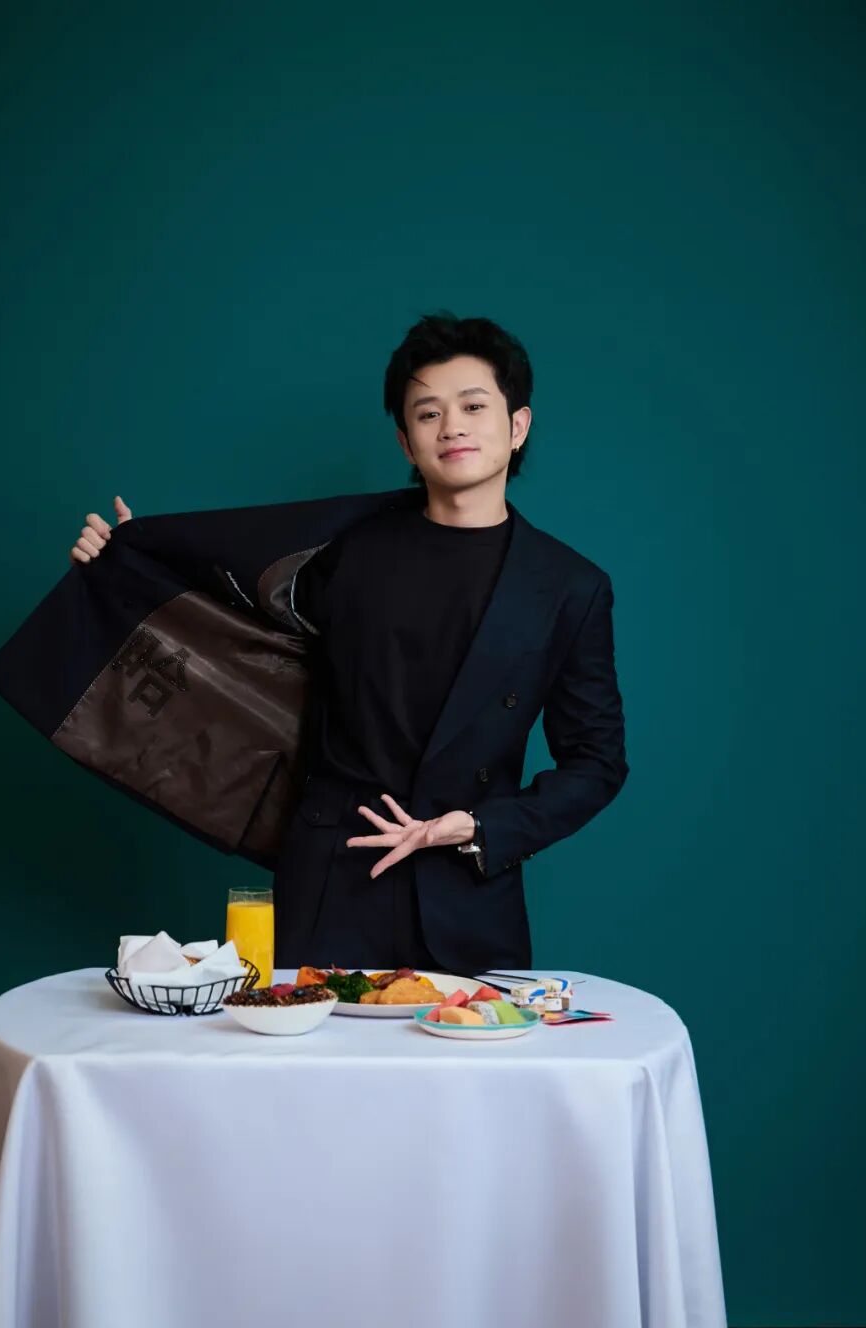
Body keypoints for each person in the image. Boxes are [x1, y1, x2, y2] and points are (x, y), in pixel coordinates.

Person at [68, 311, 629, 973]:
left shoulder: (570, 587)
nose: (451, 426)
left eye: (473, 406)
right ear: (405, 443)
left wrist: (483, 827)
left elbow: (597, 761)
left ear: (517, 426)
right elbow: (223, 612)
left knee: (469, 1046)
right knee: (304, 1043)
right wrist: (125, 554)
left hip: (469, 895)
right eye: (428, 413)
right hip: (332, 882)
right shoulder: (339, 550)